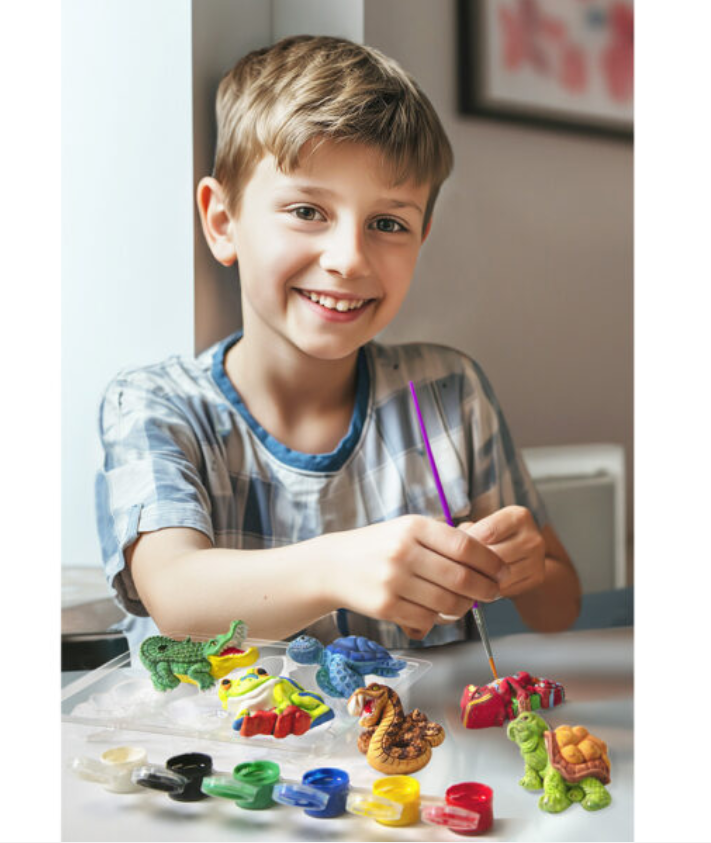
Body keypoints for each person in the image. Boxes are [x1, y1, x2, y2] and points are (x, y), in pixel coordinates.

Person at [96, 35, 580, 655]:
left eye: (387, 223)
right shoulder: (156, 403)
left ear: (422, 236)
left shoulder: (448, 392)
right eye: (307, 211)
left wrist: (522, 567)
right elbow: (176, 600)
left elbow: (559, 607)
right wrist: (338, 568)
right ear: (222, 222)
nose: (349, 259)